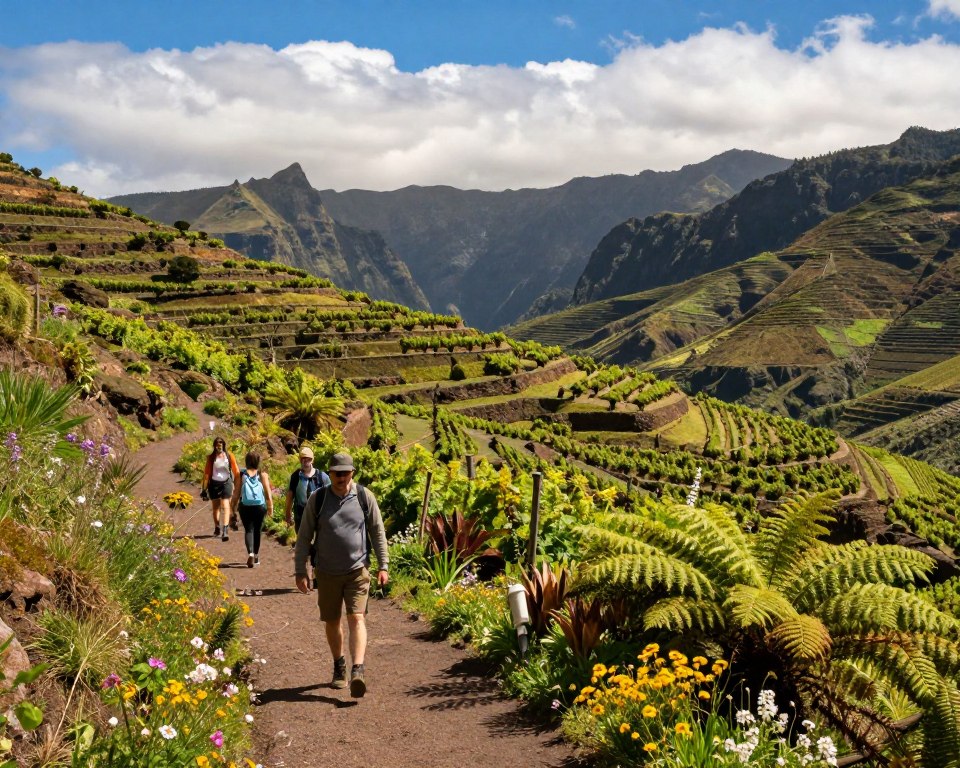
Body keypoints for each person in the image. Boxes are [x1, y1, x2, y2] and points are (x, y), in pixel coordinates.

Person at [294, 451, 389, 698]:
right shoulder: (319, 498)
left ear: (352, 473)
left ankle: (358, 670)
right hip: (326, 572)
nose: (341, 477)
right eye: (337, 473)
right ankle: (339, 666)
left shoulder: (364, 497)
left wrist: (383, 565)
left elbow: (377, 532)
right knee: (332, 621)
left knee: (357, 618)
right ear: (330, 474)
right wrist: (300, 570)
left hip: (357, 571)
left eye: (345, 473)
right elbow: (304, 537)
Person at [231, 451, 274, 568]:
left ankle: (250, 552)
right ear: (258, 461)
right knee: (257, 531)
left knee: (248, 530)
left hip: (245, 506)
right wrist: (270, 508)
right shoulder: (262, 475)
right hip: (260, 506)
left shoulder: (241, 475)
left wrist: (232, 509)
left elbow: (236, 494)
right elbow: (268, 493)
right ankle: (256, 556)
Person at [201, 437, 240, 541]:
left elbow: (236, 472)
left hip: (226, 483)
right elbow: (206, 474)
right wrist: (204, 489)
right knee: (216, 508)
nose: (219, 445)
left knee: (226, 505)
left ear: (224, 444)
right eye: (218, 444)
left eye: (221, 443)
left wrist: (238, 485)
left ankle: (225, 530)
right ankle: (217, 527)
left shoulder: (229, 456)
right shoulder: (211, 458)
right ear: (214, 445)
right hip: (214, 484)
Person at [284, 445, 330, 534]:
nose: (305, 462)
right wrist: (288, 514)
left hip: (317, 514)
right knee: (302, 541)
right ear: (300, 460)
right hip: (301, 514)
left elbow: (330, 495)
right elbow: (290, 495)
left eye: (308, 459)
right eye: (303, 459)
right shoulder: (295, 476)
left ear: (312, 460)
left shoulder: (322, 477)